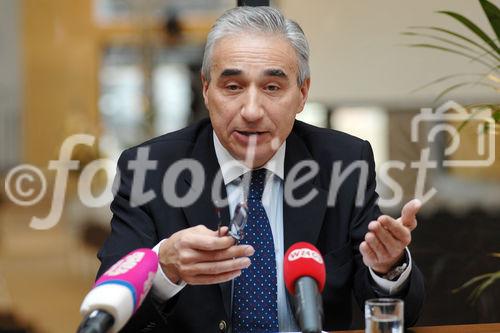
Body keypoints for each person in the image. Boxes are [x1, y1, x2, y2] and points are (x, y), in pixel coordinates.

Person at [97, 6, 425, 333]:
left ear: (302, 93)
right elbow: (111, 315)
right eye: (233, 87)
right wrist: (163, 270)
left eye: (272, 88)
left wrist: (387, 268)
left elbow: (400, 315)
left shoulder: (343, 162)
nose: (252, 111)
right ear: (206, 89)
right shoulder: (150, 169)